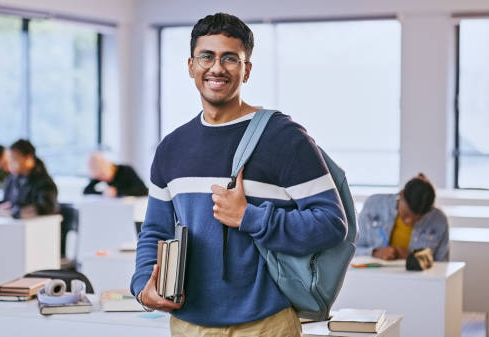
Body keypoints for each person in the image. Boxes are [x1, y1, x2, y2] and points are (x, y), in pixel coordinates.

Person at [130, 13, 347, 337]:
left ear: (246, 70)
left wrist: (250, 217)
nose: (217, 68)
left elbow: (332, 223)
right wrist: (142, 285)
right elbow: (154, 231)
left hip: (266, 325)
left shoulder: (284, 138)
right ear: (191, 65)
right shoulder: (171, 148)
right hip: (189, 326)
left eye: (230, 58)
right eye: (207, 56)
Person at [355, 173, 449, 261]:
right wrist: (375, 253)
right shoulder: (373, 205)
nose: (409, 222)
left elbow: (443, 266)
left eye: (417, 219)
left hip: (418, 278)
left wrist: (412, 258)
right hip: (373, 276)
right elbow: (352, 250)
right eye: (406, 214)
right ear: (401, 194)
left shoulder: (439, 221)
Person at [0, 139, 58, 219]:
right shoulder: (11, 181)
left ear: (28, 158)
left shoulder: (44, 183)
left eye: (14, 159)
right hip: (14, 227)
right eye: (10, 159)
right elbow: (9, 204)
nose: (10, 164)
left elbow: (46, 208)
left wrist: (15, 209)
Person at [83, 152, 148, 197]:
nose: (101, 179)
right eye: (98, 177)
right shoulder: (99, 175)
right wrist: (103, 192)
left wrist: (117, 192)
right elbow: (86, 190)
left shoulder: (126, 170)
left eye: (101, 176)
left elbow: (143, 190)